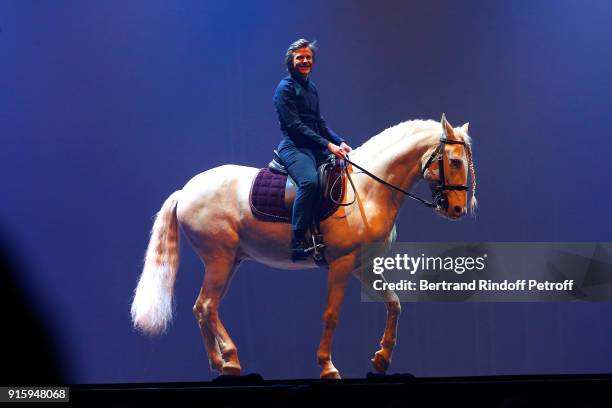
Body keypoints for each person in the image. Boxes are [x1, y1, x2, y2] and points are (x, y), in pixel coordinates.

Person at [273, 39, 352, 261]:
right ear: (291, 62)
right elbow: (296, 126)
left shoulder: (312, 87)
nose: (305, 61)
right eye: (300, 57)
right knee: (310, 182)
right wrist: (328, 145)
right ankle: (297, 239)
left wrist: (339, 141)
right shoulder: (285, 88)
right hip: (295, 146)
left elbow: (319, 122)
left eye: (308, 57)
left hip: (315, 146)